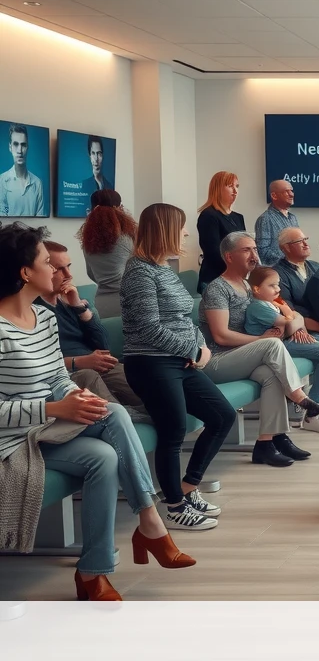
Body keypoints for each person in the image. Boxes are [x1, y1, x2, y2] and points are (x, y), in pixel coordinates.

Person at [0, 223, 196, 601]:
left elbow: (57, 376)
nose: (57, 271)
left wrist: (76, 396)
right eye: (47, 262)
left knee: (107, 439)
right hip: (14, 439)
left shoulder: (44, 319)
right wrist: (54, 406)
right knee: (112, 430)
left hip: (48, 425)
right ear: (25, 272)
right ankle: (146, 526)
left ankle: (95, 568)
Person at [120, 203, 233, 531]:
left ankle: (187, 487)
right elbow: (148, 328)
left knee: (222, 416)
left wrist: (201, 348)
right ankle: (174, 507)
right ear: (165, 229)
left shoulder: (162, 268)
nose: (185, 233)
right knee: (173, 431)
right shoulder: (139, 271)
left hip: (180, 360)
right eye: (181, 226)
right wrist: (193, 351)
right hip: (151, 364)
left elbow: (184, 316)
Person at [199, 231, 319, 458]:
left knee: (271, 375)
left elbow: (289, 313)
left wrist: (294, 323)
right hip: (217, 360)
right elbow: (221, 336)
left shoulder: (249, 286)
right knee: (272, 345)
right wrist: (262, 340)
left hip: (244, 356)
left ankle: (269, 441)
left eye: (255, 249)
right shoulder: (217, 289)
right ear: (229, 257)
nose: (254, 255)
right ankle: (300, 398)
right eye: (246, 250)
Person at [39, 240, 149, 422]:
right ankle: (124, 415)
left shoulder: (70, 301)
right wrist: (80, 361)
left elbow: (103, 343)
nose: (69, 275)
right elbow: (39, 362)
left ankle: (150, 411)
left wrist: (79, 307)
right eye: (59, 269)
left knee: (149, 389)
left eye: (69, 267)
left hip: (96, 364)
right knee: (89, 376)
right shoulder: (33, 309)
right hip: (70, 372)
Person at [244, 266, 319, 433]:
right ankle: (313, 413)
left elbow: (293, 320)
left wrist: (294, 319)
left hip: (283, 341)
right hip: (273, 348)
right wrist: (294, 318)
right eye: (272, 285)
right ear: (257, 289)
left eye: (278, 284)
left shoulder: (271, 303)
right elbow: (290, 322)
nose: (278, 289)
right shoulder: (258, 306)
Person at [273, 226, 319, 421]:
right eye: (299, 241)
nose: (306, 243)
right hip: (300, 328)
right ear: (285, 248)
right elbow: (285, 307)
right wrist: (301, 326)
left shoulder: (315, 266)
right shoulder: (278, 273)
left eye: (305, 239)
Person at [77, 189, 136, 317]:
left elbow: (90, 273)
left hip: (101, 305)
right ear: (120, 208)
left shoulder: (88, 242)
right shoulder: (127, 238)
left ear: (92, 210)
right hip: (129, 301)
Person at [197, 171, 245, 291]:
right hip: (215, 279)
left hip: (236, 278)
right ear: (218, 189)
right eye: (230, 186)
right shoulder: (209, 215)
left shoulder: (238, 217)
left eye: (237, 186)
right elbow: (213, 252)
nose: (235, 191)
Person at [0, 124, 46, 218]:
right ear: (10, 147)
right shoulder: (2, 180)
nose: (20, 150)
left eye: (23, 145)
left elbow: (41, 220)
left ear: (27, 147)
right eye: (16, 144)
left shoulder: (37, 183)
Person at [254, 180, 300, 267]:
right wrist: (288, 260)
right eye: (286, 191)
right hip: (277, 270)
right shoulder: (265, 219)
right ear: (274, 196)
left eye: (291, 191)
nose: (291, 194)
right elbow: (262, 251)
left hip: (295, 267)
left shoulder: (293, 218)